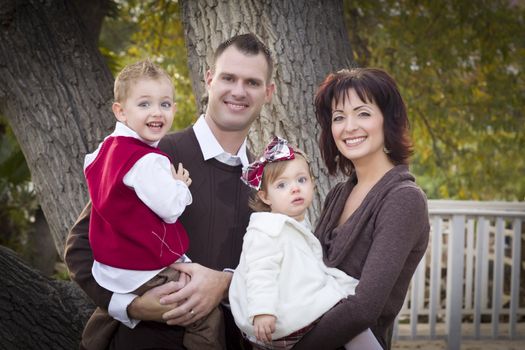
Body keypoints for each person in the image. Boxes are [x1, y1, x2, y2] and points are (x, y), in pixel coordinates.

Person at [64, 33, 275, 350]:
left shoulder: (267, 183)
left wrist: (226, 283)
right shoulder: (152, 156)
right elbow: (80, 248)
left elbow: (274, 272)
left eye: (252, 83)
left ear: (268, 92)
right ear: (209, 80)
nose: (238, 91)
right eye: (228, 78)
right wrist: (132, 306)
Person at [81, 58, 224, 350]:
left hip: (111, 266)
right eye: (144, 104)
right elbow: (171, 210)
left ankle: (92, 341)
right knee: (205, 313)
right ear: (120, 111)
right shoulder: (150, 160)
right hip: (144, 266)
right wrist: (180, 186)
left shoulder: (103, 151)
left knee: (108, 315)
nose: (157, 112)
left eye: (165, 104)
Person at [292, 68, 430, 350]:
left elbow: (364, 308)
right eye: (339, 117)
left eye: (363, 113)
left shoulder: (403, 199)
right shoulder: (338, 194)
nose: (349, 126)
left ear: (387, 121)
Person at [229, 136, 381, 350]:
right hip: (278, 318)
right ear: (265, 196)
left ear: (312, 182)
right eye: (282, 185)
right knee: (350, 319)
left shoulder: (296, 223)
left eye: (301, 180)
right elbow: (260, 271)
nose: (295, 188)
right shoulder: (265, 229)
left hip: (296, 312)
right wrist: (262, 311)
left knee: (351, 317)